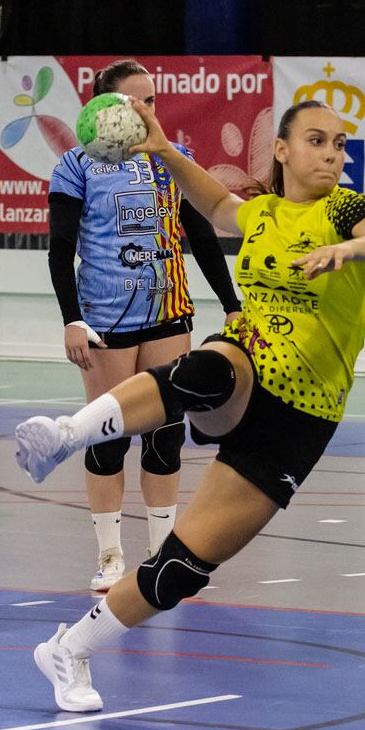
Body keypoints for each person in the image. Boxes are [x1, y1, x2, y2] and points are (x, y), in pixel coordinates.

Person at [17, 98, 365, 712]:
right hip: (251, 365)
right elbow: (216, 203)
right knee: (207, 369)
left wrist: (352, 250)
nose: (332, 154)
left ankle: (70, 651)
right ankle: (68, 435)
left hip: (302, 418)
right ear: (282, 150)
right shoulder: (261, 214)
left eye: (340, 144)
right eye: (317, 140)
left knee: (182, 569)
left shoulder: (346, 212)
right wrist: (162, 147)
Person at [46, 59, 241, 591]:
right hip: (106, 321)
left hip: (167, 315)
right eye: (137, 102)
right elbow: (61, 250)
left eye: (153, 101)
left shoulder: (174, 161)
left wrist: (231, 302)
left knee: (164, 436)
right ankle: (110, 557)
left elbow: (201, 237)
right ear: (105, 109)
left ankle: (164, 554)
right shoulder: (75, 166)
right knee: (107, 438)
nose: (148, 110)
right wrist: (72, 321)